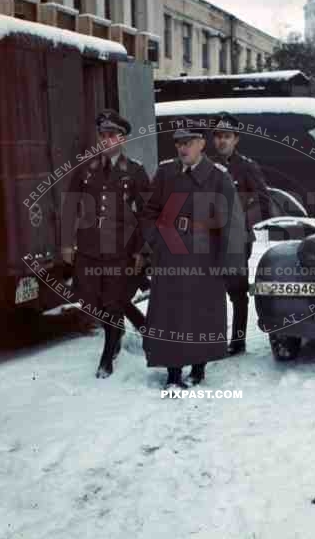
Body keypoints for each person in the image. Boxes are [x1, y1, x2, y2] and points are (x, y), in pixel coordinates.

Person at [141, 119, 246, 391]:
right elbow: (150, 211)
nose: (182, 148)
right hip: (169, 254)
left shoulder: (218, 176)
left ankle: (199, 367)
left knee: (202, 313)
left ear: (201, 144)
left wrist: (228, 263)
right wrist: (156, 240)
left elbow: (231, 224)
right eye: (178, 143)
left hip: (205, 256)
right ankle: (173, 373)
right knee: (169, 313)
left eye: (188, 142)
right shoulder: (166, 173)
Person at [61, 108, 150, 378]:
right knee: (88, 299)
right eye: (103, 134)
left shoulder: (135, 171)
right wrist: (66, 244)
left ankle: (108, 352)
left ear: (122, 139)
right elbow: (70, 207)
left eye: (112, 135)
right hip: (88, 247)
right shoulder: (84, 169)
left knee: (113, 300)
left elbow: (148, 214)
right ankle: (135, 325)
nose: (106, 139)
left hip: (120, 248)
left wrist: (142, 251)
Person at [212, 112, 271, 355]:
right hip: (209, 239)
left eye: (227, 137)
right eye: (218, 137)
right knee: (211, 289)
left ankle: (237, 341)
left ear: (236, 139)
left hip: (237, 239)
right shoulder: (204, 164)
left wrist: (244, 222)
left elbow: (263, 201)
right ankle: (212, 339)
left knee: (236, 291)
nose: (221, 142)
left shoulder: (246, 167)